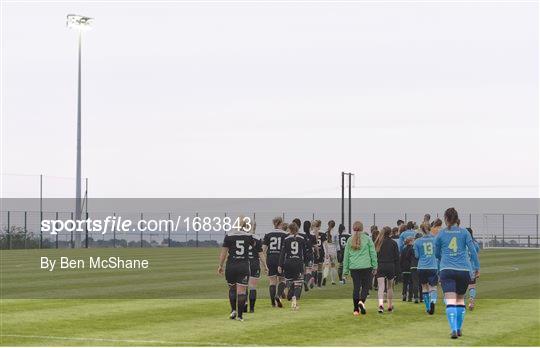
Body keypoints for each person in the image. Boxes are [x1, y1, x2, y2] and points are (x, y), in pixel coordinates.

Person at [435, 208, 480, 339]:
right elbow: (472, 251)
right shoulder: (465, 232)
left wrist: (444, 256)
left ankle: (453, 329)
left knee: (450, 300)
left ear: (446, 218)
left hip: (447, 269)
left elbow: (437, 254)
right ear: (456, 218)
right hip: (464, 270)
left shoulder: (441, 234)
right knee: (460, 299)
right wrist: (477, 267)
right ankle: (459, 328)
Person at [218, 218, 259, 321]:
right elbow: (254, 245)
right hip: (243, 266)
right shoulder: (248, 236)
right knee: (242, 291)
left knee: (232, 288)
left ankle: (233, 311)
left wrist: (220, 265)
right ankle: (240, 316)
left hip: (231, 265)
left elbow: (223, 253)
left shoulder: (229, 236)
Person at [343, 221, 378, 315]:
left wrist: (345, 270)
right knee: (366, 287)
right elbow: (373, 253)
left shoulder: (350, 240)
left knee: (356, 288)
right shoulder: (367, 239)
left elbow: (346, 256)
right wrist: (375, 266)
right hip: (366, 266)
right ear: (362, 228)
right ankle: (361, 302)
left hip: (354, 267)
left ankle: (355, 309)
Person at [278, 223, 306, 310]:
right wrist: (305, 263)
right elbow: (304, 252)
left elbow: (283, 253)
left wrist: (280, 265)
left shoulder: (286, 239)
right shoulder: (302, 239)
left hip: (288, 262)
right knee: (298, 284)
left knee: (288, 282)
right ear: (297, 230)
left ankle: (279, 296)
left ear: (289, 230)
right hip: (298, 262)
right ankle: (294, 301)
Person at [414, 222, 439, 315]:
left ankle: (428, 307)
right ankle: (433, 301)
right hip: (432, 266)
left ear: (421, 230)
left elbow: (416, 256)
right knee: (433, 287)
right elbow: (437, 253)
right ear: (430, 228)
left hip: (422, 266)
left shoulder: (417, 241)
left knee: (424, 287)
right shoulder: (435, 240)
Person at [262, 216, 287, 308]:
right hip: (281, 259)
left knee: (272, 281)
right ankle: (278, 295)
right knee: (282, 279)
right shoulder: (285, 234)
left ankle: (273, 303)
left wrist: (264, 262)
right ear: (281, 223)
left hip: (270, 258)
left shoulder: (268, 234)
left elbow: (263, 249)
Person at [374, 226, 400, 313]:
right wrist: (397, 270)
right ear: (390, 233)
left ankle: (380, 305)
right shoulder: (393, 243)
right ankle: (389, 305)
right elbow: (397, 257)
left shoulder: (378, 242)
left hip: (380, 265)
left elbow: (375, 256)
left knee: (381, 287)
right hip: (390, 265)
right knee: (390, 287)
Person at [245, 221, 268, 313]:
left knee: (244, 286)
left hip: (244, 264)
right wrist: (265, 265)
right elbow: (261, 254)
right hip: (254, 264)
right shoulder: (257, 239)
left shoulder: (241, 237)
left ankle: (244, 304)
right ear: (254, 228)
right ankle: (252, 309)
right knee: (253, 287)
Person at [466, 227, 480, 311]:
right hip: (472, 268)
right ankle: (471, 300)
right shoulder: (475, 244)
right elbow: (475, 256)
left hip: (463, 268)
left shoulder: (462, 244)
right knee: (472, 286)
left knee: (461, 287)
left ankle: (460, 303)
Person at [298, 220, 315, 291]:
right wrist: (317, 253)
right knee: (309, 270)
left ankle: (303, 283)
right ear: (310, 227)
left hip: (303, 254)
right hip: (310, 254)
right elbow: (315, 246)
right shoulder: (312, 236)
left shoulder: (301, 235)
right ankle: (306, 281)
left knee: (304, 271)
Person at [400, 237, 415, 301]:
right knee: (411, 282)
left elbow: (401, 259)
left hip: (404, 268)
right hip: (410, 267)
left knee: (405, 283)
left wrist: (401, 268)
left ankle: (404, 294)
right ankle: (410, 297)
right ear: (410, 241)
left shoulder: (403, 250)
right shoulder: (412, 249)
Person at [323, 220, 338, 285]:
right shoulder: (335, 232)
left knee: (326, 265)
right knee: (333, 266)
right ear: (334, 225)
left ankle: (325, 277)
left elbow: (324, 242)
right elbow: (337, 243)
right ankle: (332, 281)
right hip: (333, 250)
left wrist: (325, 252)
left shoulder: (325, 232)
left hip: (327, 249)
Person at [313, 220, 326, 287]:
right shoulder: (323, 233)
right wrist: (326, 253)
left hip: (314, 251)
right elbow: (324, 244)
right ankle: (319, 285)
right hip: (321, 251)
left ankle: (314, 282)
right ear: (320, 225)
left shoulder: (312, 233)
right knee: (320, 268)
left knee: (314, 267)